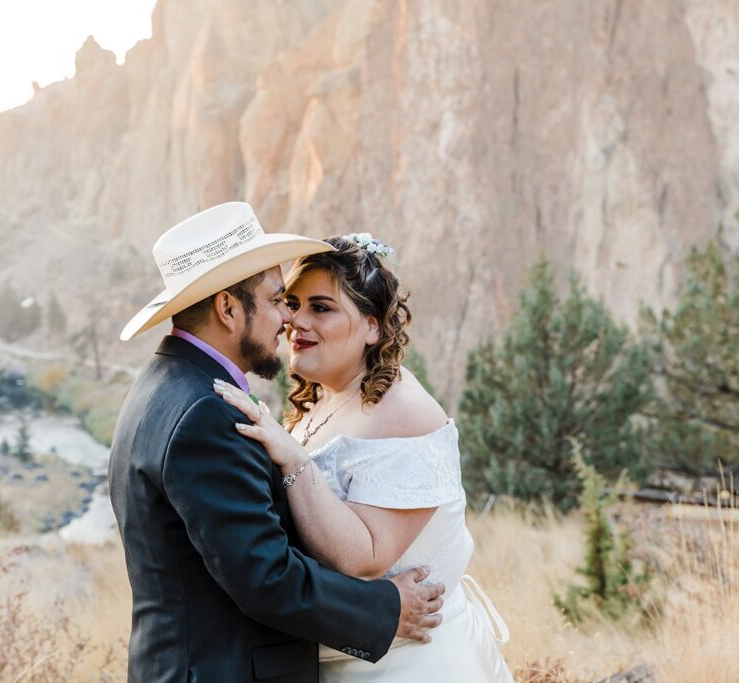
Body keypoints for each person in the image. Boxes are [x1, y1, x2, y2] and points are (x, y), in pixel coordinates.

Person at [108, 203, 446, 683]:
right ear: (228, 309)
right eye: (276, 300)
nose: (287, 319)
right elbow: (265, 577)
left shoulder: (163, 386)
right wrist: (388, 608)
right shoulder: (204, 412)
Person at [216, 233, 515, 682]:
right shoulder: (324, 396)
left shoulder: (402, 411)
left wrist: (293, 460)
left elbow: (365, 558)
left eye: (322, 307)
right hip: (348, 658)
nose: (296, 321)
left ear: (373, 326)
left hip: (410, 665)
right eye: (293, 303)